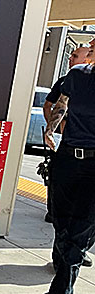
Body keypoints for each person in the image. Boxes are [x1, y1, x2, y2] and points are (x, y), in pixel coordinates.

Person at [42, 52, 95, 294]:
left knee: (79, 231)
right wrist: (50, 129)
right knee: (60, 223)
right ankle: (67, 279)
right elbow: (61, 104)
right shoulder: (78, 75)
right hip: (67, 159)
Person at [42, 45, 91, 232]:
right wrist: (51, 130)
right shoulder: (72, 78)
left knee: (83, 215)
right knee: (61, 203)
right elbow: (56, 105)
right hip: (68, 148)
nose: (70, 59)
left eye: (75, 56)